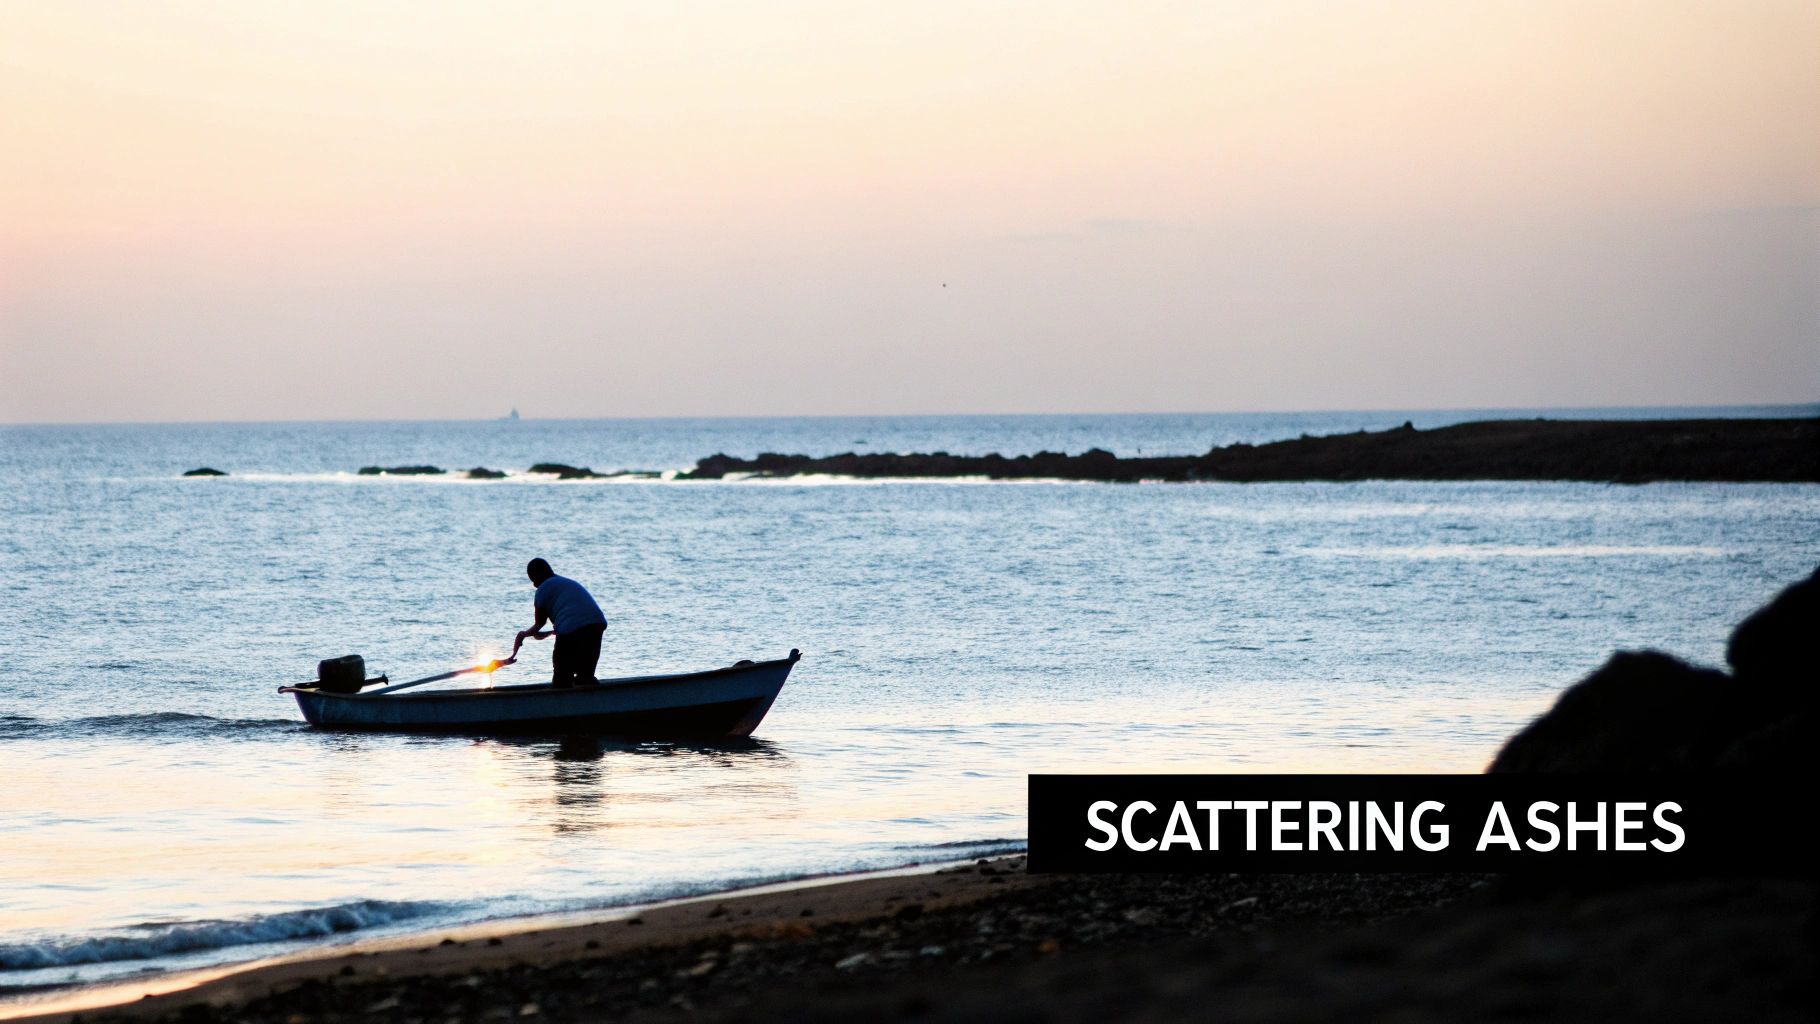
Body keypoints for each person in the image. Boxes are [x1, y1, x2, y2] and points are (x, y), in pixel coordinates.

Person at [515, 558, 608, 688]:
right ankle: (596, 700)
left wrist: (523, 634)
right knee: (585, 675)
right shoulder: (565, 582)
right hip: (596, 624)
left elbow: (539, 624)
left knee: (562, 677)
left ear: (536, 575)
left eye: (532, 578)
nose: (533, 584)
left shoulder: (543, 589)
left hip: (571, 629)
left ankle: (561, 702)